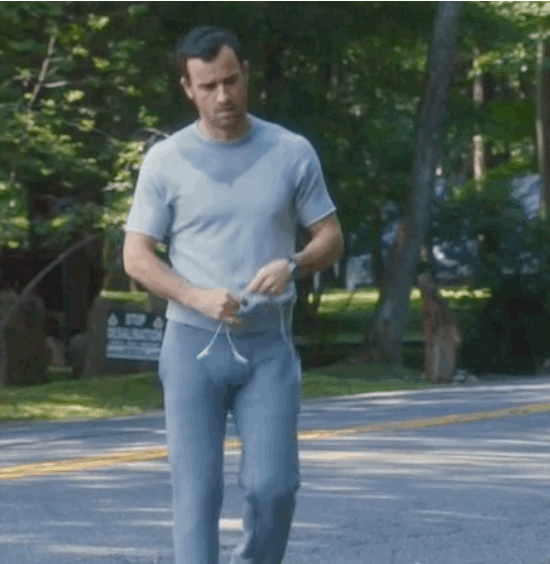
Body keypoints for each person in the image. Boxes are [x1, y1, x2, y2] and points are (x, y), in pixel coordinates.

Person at [122, 25, 344, 564]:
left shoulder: (290, 151)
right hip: (192, 347)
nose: (223, 96)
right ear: (188, 89)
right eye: (208, 86)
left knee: (274, 489)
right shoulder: (166, 159)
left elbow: (331, 238)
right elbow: (136, 256)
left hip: (267, 348)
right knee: (196, 497)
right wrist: (195, 296)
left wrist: (294, 263)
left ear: (245, 74)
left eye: (231, 81)